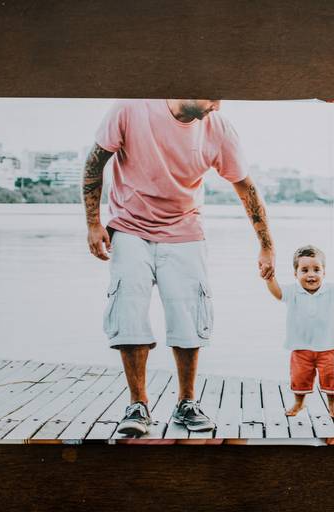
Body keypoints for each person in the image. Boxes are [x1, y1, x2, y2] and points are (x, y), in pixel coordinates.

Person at [82, 99, 275, 437]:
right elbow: (94, 163)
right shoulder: (131, 108)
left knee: (189, 314)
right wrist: (93, 224)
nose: (216, 104)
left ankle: (186, 403)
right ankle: (138, 405)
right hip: (128, 227)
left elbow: (245, 186)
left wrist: (266, 245)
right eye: (210, 96)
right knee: (128, 310)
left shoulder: (218, 127)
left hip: (185, 229)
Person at [263, 245, 334, 418]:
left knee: (332, 380)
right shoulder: (292, 292)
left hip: (328, 347)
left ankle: (332, 406)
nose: (311, 274)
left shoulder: (331, 290)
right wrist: (270, 279)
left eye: (316, 269)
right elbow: (278, 293)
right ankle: (299, 403)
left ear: (324, 272)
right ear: (296, 274)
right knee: (299, 378)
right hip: (301, 347)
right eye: (304, 270)